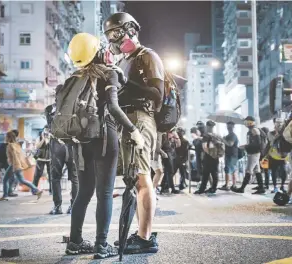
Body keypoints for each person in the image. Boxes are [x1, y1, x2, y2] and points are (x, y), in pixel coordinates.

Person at [64, 33, 144, 259]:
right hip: (103, 137)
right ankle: (101, 245)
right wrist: (133, 130)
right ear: (98, 52)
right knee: (105, 193)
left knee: (83, 192)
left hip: (80, 141)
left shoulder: (74, 78)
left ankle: (75, 242)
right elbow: (114, 108)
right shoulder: (109, 74)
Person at [103, 12, 162, 253]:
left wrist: (124, 81)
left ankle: (145, 239)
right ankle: (139, 233)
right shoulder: (122, 61)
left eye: (118, 33)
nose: (115, 39)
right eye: (110, 35)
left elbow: (157, 95)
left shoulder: (147, 56)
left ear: (131, 30)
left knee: (142, 176)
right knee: (133, 180)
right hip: (126, 121)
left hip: (140, 118)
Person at [47, 102, 80, 215]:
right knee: (74, 178)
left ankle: (57, 206)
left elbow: (50, 126)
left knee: (56, 178)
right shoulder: (75, 106)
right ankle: (74, 206)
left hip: (57, 145)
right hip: (72, 145)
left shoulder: (50, 109)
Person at [0, 131, 43, 201]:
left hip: (14, 165)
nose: (5, 138)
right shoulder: (16, 145)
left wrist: (16, 166)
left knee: (6, 180)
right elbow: (21, 156)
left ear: (9, 137)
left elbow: (15, 157)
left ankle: (5, 196)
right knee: (21, 180)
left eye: (6, 136)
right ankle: (36, 190)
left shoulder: (10, 145)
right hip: (16, 165)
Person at [233, 116, 265, 194]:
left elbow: (257, 143)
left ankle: (242, 188)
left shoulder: (254, 130)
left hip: (254, 153)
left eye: (247, 122)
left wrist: (245, 146)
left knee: (248, 170)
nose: (246, 124)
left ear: (250, 122)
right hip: (254, 152)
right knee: (257, 170)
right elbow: (253, 143)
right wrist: (246, 146)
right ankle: (261, 187)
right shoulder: (252, 130)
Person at [194, 121, 222, 194]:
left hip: (208, 157)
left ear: (207, 126)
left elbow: (204, 147)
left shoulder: (206, 136)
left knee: (205, 174)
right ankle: (213, 188)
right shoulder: (217, 135)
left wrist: (209, 154)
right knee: (214, 173)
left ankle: (201, 190)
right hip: (216, 157)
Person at [265, 118, 288, 193]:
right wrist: (265, 154)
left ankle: (282, 185)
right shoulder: (270, 133)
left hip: (283, 155)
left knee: (284, 171)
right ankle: (275, 187)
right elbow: (270, 143)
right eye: (277, 123)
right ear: (274, 124)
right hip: (273, 155)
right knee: (273, 171)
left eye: (280, 123)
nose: (279, 124)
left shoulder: (285, 132)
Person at [160, 129, 181, 194]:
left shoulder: (171, 139)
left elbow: (178, 145)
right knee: (170, 172)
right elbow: (160, 146)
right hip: (167, 155)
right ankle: (172, 188)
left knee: (167, 172)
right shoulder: (163, 136)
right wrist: (163, 153)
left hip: (171, 155)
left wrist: (176, 137)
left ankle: (163, 187)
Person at [220, 121, 239, 191]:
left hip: (231, 155)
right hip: (232, 155)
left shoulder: (233, 135)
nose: (228, 128)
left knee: (228, 170)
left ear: (233, 127)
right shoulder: (229, 135)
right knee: (233, 170)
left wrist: (223, 140)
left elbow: (230, 144)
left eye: (230, 126)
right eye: (228, 126)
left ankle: (227, 185)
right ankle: (233, 185)